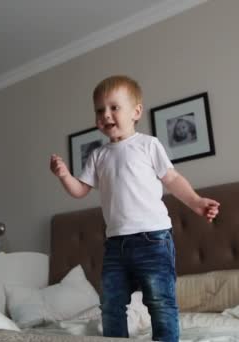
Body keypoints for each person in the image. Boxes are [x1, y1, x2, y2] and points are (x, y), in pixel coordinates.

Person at [49, 75, 219, 342]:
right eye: (99, 110)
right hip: (115, 244)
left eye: (114, 107)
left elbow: (172, 179)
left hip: (153, 239)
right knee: (111, 304)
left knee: (160, 302)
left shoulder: (148, 144)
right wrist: (64, 176)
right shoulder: (98, 155)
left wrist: (196, 202)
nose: (106, 115)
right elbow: (80, 191)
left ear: (136, 111)